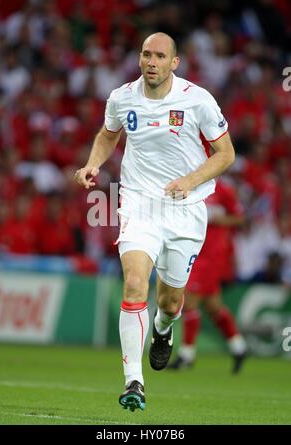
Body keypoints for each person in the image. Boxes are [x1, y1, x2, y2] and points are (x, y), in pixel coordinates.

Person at [75, 32, 236, 412]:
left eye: (160, 56)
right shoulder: (122, 97)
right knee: (134, 284)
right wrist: (93, 164)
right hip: (139, 205)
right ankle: (134, 382)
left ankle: (163, 329)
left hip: (185, 208)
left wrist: (190, 180)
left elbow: (226, 153)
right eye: (146, 54)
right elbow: (107, 134)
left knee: (171, 299)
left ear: (174, 63)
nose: (151, 62)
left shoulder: (197, 99)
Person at [168, 178, 248, 373]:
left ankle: (187, 355)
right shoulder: (189, 184)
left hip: (211, 255)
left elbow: (239, 218)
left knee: (190, 301)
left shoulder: (223, 189)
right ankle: (239, 347)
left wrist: (219, 220)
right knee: (213, 306)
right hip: (193, 248)